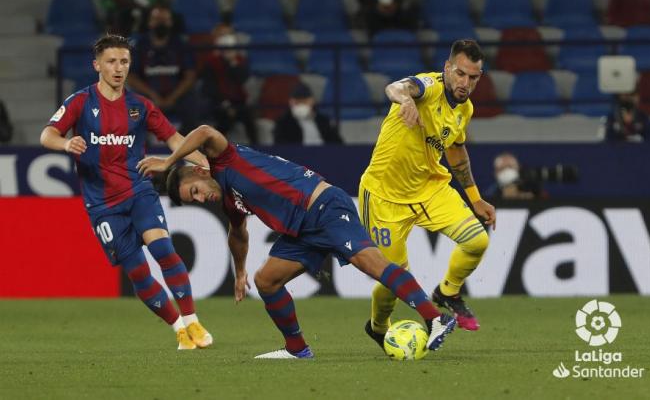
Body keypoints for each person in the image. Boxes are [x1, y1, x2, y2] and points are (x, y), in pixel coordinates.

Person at [137, 124, 458, 359]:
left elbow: (205, 131)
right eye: (194, 201)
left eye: (195, 192)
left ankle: (435, 318)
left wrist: (167, 161)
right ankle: (297, 349)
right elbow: (238, 235)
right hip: (302, 231)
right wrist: (239, 272)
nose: (201, 199)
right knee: (267, 281)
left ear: (199, 172)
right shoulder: (230, 203)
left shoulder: (225, 158)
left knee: (371, 264)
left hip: (322, 206)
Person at [40, 34, 212, 350]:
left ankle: (193, 322)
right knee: (138, 274)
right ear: (97, 66)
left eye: (124, 62)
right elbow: (47, 134)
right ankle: (178, 330)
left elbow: (175, 139)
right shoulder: (80, 102)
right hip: (102, 205)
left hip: (138, 191)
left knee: (163, 250)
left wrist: (204, 161)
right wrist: (66, 143)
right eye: (111, 62)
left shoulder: (140, 106)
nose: (118, 69)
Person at [359, 40, 496, 348]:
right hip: (385, 195)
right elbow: (396, 87)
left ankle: (447, 292)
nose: (466, 83)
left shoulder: (465, 108)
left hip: (430, 188)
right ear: (447, 68)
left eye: (474, 77)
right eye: (460, 74)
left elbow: (457, 151)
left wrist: (475, 198)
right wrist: (406, 101)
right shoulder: (428, 87)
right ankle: (378, 327)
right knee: (391, 279)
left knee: (477, 240)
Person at [127, 4, 197, 131]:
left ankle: (188, 145)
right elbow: (131, 77)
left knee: (194, 102)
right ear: (149, 23)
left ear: (171, 23)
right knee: (130, 101)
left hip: (177, 96)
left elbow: (190, 76)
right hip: (148, 96)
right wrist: (153, 96)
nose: (161, 23)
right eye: (157, 20)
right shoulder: (138, 46)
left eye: (165, 20)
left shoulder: (181, 45)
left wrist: (172, 98)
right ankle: (137, 146)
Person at [197, 23, 258, 144]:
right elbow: (208, 88)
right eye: (222, 35)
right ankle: (213, 151)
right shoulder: (210, 61)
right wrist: (225, 104)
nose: (226, 38)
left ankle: (259, 154)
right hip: (218, 103)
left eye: (228, 34)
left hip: (239, 103)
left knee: (249, 119)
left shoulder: (239, 59)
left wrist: (233, 61)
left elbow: (243, 80)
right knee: (223, 120)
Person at [273, 82, 343, 145]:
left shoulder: (323, 120)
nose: (301, 105)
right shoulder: (283, 122)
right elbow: (280, 146)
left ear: (312, 101)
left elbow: (338, 143)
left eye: (304, 102)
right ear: (290, 102)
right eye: (297, 102)